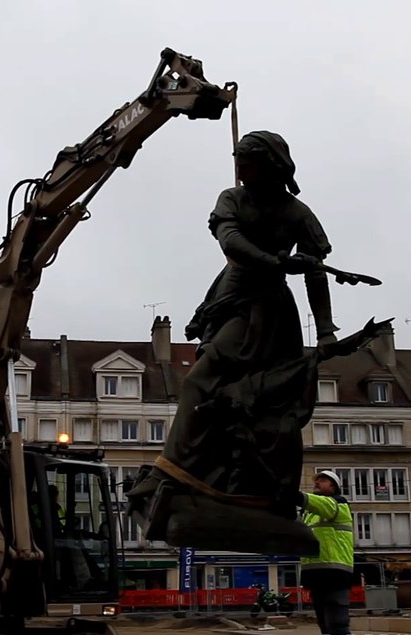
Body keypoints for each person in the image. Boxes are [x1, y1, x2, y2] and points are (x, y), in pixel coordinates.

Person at [127, 130, 342, 513]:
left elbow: (315, 272)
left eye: (247, 164)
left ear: (270, 166)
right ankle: (178, 471)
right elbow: (231, 243)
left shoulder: (298, 213)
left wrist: (325, 328)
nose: (240, 172)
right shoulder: (232, 199)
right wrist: (278, 262)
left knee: (238, 392)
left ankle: (195, 474)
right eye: (238, 164)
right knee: (202, 382)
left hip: (271, 311)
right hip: (232, 300)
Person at [294, 469, 363, 635]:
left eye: (323, 480)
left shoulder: (337, 504)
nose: (317, 483)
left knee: (338, 626)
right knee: (327, 628)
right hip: (318, 575)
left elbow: (316, 503)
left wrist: (294, 495)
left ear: (333, 487)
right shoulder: (310, 514)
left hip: (335, 573)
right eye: (317, 480)